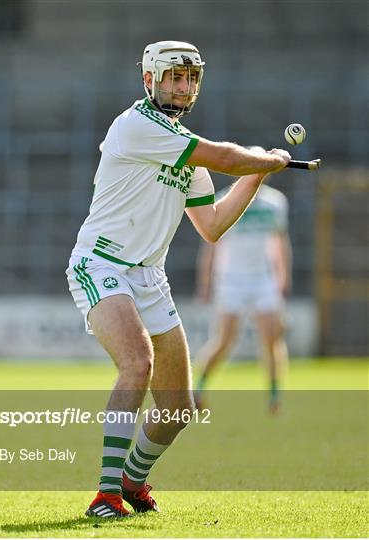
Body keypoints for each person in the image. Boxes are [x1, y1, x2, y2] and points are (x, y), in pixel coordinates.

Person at [66, 40, 291, 519]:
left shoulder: (183, 147)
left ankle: (132, 480)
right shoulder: (137, 126)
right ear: (149, 80)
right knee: (137, 362)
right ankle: (105, 494)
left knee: (179, 409)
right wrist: (257, 161)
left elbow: (211, 227)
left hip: (149, 277)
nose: (183, 86)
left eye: (190, 78)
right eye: (174, 76)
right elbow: (225, 157)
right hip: (100, 264)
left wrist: (257, 177)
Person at [194, 175, 292, 413]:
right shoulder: (224, 199)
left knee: (271, 339)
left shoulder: (275, 202)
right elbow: (210, 244)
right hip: (230, 280)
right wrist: (205, 281)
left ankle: (274, 395)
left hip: (263, 278)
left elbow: (280, 242)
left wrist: (282, 276)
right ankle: (198, 389)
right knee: (224, 340)